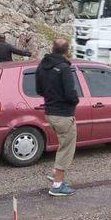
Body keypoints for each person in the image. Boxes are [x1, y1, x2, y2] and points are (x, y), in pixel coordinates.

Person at [35, 38, 79, 197]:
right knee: (66, 149)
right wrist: (75, 100)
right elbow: (70, 93)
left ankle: (55, 174)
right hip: (63, 114)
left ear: (52, 49)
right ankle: (57, 185)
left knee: (62, 144)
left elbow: (39, 90)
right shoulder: (64, 68)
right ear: (67, 52)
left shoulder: (42, 65)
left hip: (49, 112)